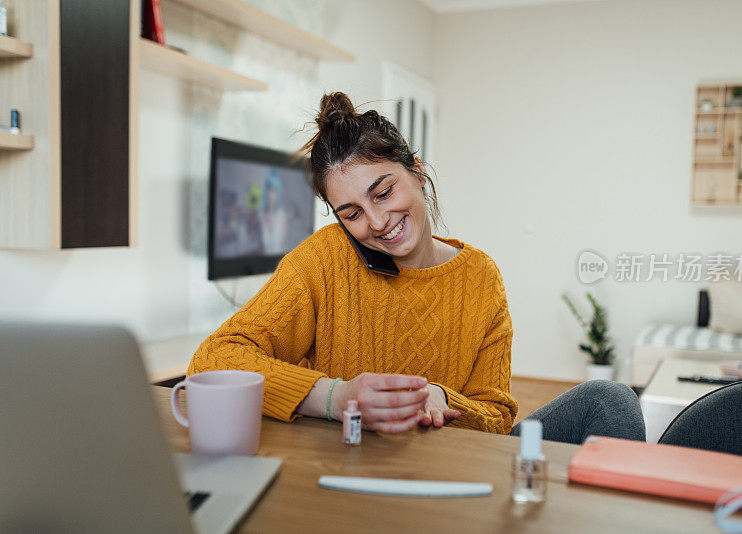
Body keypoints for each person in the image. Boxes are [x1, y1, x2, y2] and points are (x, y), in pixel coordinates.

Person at [188, 92, 645, 442]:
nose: (377, 222)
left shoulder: (480, 278)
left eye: (384, 192)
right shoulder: (324, 259)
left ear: (418, 171)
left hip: (452, 472)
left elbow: (499, 416)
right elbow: (213, 359)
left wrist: (445, 399)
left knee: (612, 400)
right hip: (346, 474)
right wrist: (335, 397)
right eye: (351, 213)